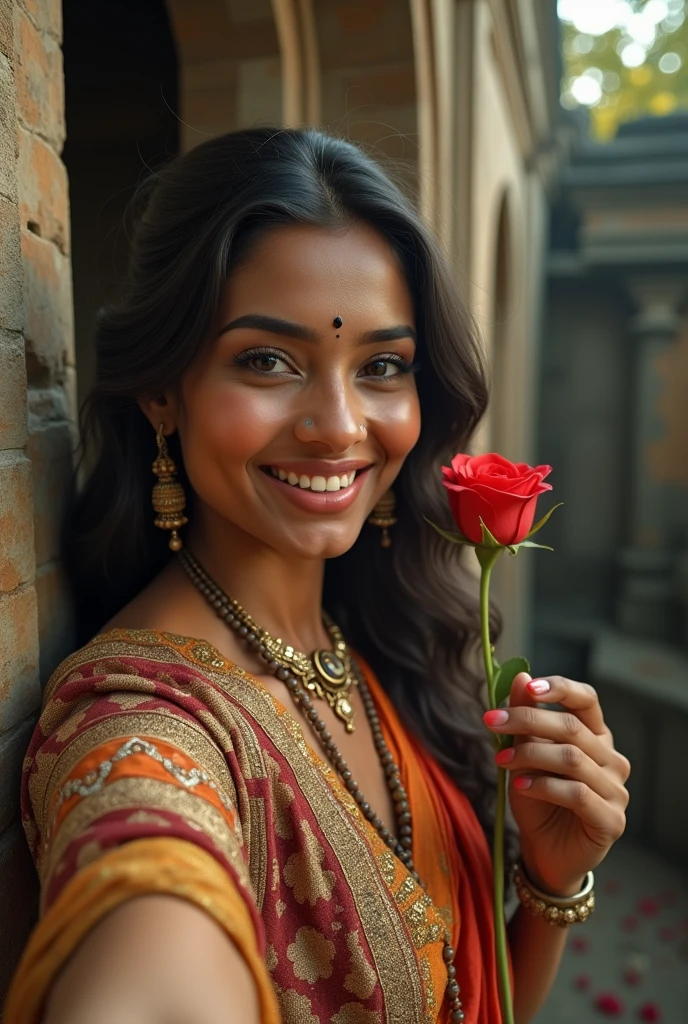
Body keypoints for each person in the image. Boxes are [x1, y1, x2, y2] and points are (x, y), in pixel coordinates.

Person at [4, 128, 630, 1024]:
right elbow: (147, 903)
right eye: (268, 360)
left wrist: (551, 881)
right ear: (162, 390)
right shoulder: (142, 724)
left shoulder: (359, 642)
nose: (338, 426)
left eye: (382, 366)